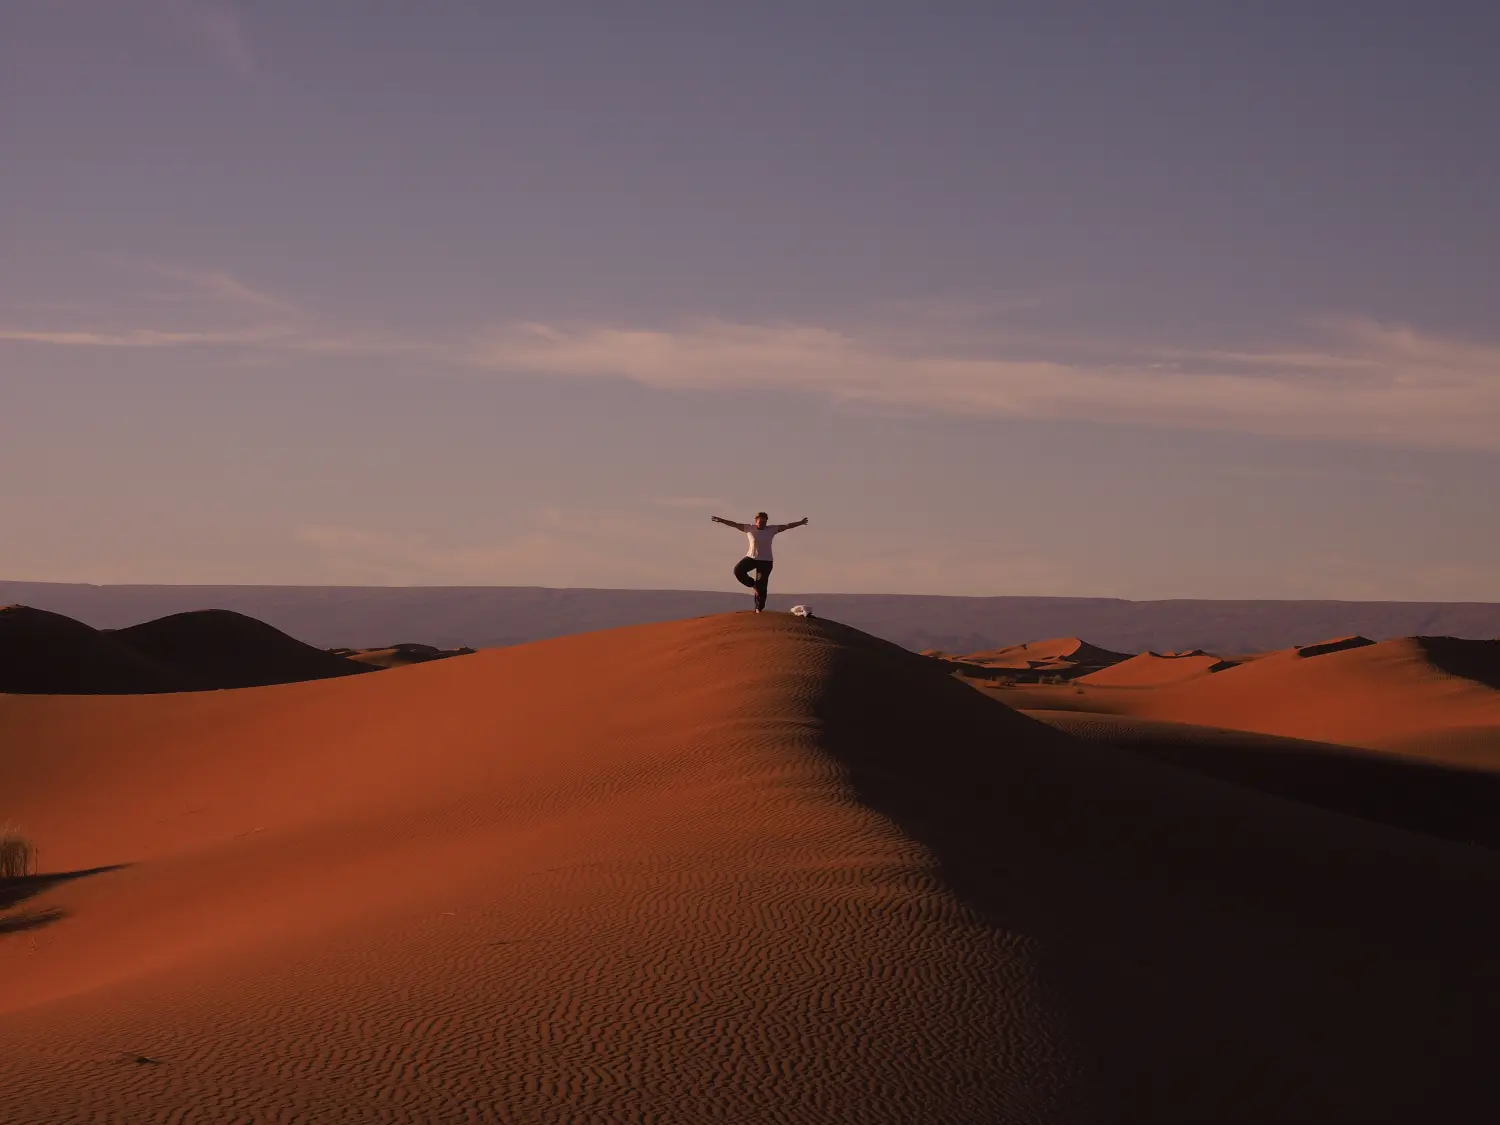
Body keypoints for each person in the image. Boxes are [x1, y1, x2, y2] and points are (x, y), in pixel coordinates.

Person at [710, 512, 809, 613]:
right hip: (751, 558)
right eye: (760, 521)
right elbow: (734, 524)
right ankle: (753, 584)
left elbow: (787, 526)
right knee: (738, 571)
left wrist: (800, 523)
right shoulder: (749, 528)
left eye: (765, 522)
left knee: (762, 585)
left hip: (766, 561)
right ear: (756, 520)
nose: (763, 524)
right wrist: (721, 520)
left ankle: (759, 609)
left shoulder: (771, 529)